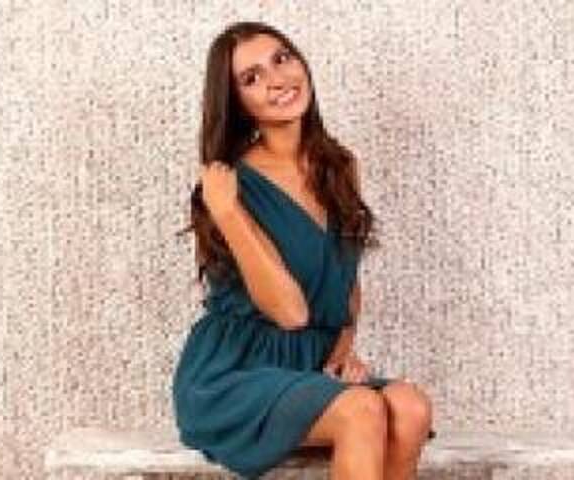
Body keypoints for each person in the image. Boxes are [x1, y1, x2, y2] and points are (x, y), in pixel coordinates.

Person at [172, 20, 436, 480]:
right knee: (361, 410)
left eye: (281, 58)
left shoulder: (339, 165)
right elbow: (291, 312)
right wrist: (228, 212)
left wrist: (343, 349)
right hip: (231, 375)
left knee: (410, 407)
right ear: (236, 102)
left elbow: (346, 277)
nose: (277, 80)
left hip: (307, 367)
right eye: (251, 78)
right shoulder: (228, 185)